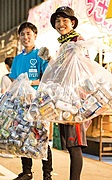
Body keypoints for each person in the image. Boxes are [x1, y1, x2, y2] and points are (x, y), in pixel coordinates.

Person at [47, 6, 87, 180]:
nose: (60, 24)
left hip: (74, 100)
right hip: (64, 99)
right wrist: (50, 60)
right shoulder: (63, 43)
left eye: (64, 20)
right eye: (58, 20)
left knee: (75, 144)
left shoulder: (78, 40)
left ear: (72, 22)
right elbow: (62, 70)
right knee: (70, 145)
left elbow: (81, 69)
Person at [9, 22, 53, 180]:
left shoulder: (41, 54)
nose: (25, 37)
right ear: (19, 37)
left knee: (42, 137)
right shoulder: (17, 59)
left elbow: (48, 76)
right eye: (22, 34)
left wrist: (32, 83)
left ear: (35, 36)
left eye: (29, 34)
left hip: (38, 103)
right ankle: (26, 171)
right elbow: (14, 80)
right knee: (23, 137)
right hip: (21, 104)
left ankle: (47, 174)